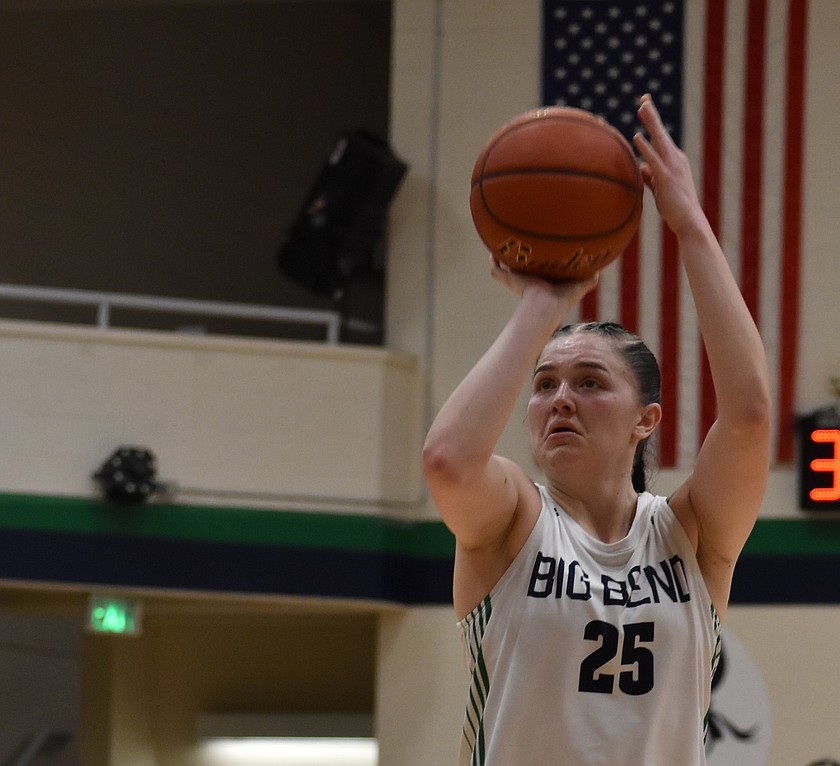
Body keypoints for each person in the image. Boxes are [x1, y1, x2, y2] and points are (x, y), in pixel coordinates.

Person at [422, 94, 771, 765]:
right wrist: (544, 304)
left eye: (589, 383)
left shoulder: (689, 535)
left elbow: (752, 414)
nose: (559, 400)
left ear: (647, 420)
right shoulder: (514, 520)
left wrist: (691, 226)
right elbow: (447, 461)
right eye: (544, 384)